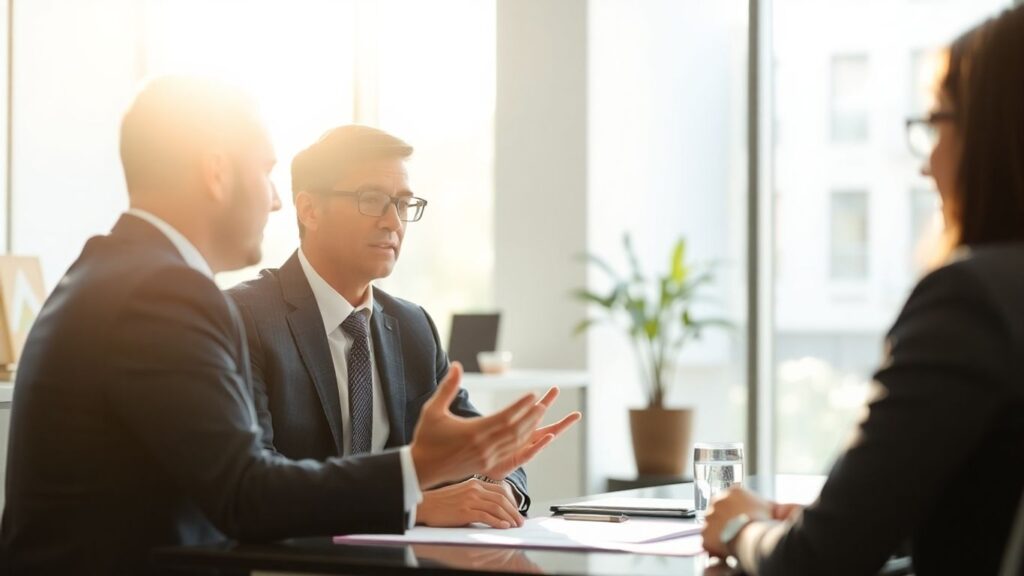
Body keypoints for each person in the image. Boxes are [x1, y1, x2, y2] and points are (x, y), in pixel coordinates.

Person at [0, 76, 562, 575]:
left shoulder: (117, 270)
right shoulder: (164, 293)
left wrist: (479, 462)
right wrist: (416, 474)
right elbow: (247, 494)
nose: (274, 202)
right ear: (216, 172)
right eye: (266, 172)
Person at [703, 6, 1024, 575]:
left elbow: (815, 564)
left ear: (993, 133)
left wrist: (740, 527)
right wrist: (846, 519)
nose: (927, 164)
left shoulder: (972, 301)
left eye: (936, 123)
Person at [226, 125, 581, 529]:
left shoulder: (413, 327)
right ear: (309, 209)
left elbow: (481, 449)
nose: (393, 222)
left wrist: (493, 474)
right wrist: (412, 506)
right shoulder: (245, 317)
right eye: (372, 199)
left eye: (403, 203)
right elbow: (259, 488)